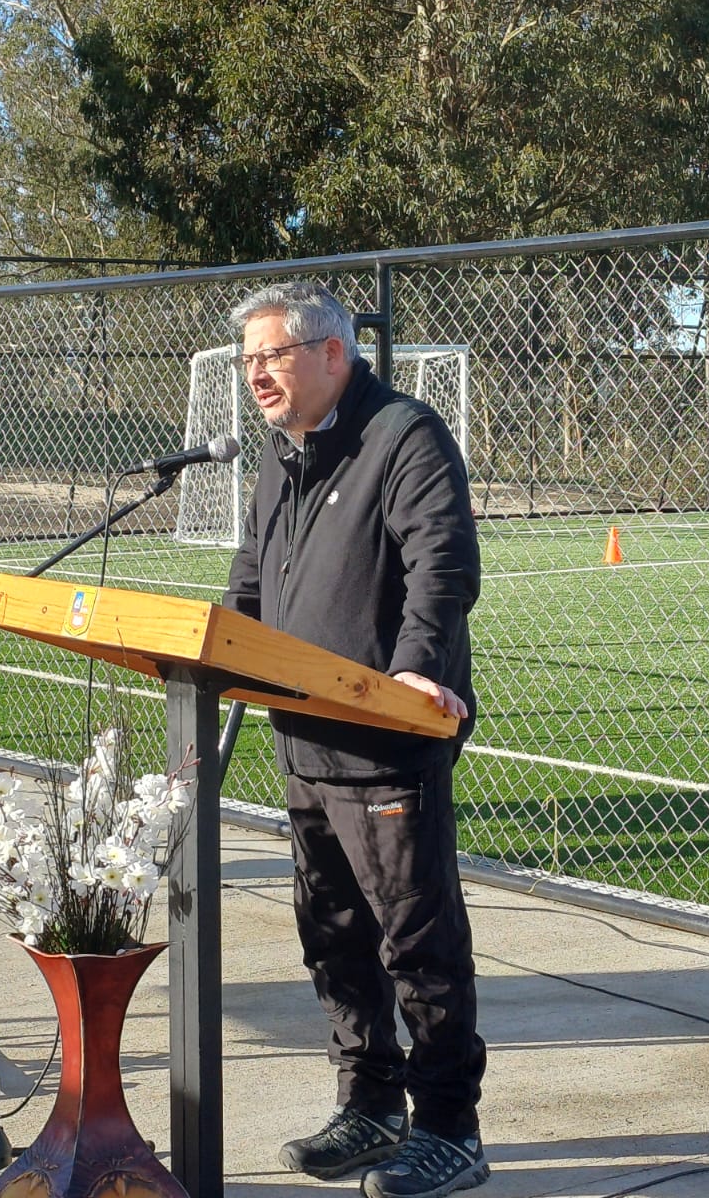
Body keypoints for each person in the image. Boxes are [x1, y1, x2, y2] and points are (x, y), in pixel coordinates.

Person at [222, 282, 489, 1198]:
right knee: (333, 939)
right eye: (249, 359)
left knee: (416, 944)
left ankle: (450, 1125)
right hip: (301, 740)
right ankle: (369, 1106)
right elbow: (251, 576)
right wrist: (214, 652)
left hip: (385, 746)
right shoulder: (280, 453)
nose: (256, 373)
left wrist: (416, 666)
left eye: (273, 355)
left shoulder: (404, 436)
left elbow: (442, 562)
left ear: (332, 352)